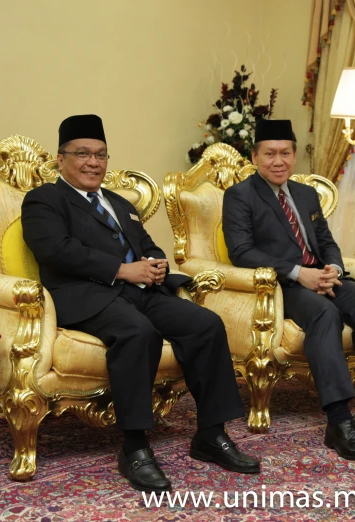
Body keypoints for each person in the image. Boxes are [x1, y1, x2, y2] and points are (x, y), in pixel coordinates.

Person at [21, 114, 259, 492]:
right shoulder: (44, 200)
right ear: (60, 159)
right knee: (137, 332)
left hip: (143, 291)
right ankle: (134, 446)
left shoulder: (118, 201)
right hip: (88, 296)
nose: (93, 162)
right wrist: (121, 270)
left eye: (100, 155)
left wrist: (156, 264)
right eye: (82, 153)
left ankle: (211, 434)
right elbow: (56, 251)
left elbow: (146, 244)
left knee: (207, 324)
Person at [221, 119, 355, 461]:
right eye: (270, 154)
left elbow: (326, 242)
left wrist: (332, 269)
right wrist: (297, 273)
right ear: (255, 156)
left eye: (286, 153)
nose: (278, 161)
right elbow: (241, 251)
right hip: (282, 287)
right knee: (326, 313)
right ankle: (338, 421)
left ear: (294, 155)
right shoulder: (240, 196)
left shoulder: (306, 193)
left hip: (322, 278)